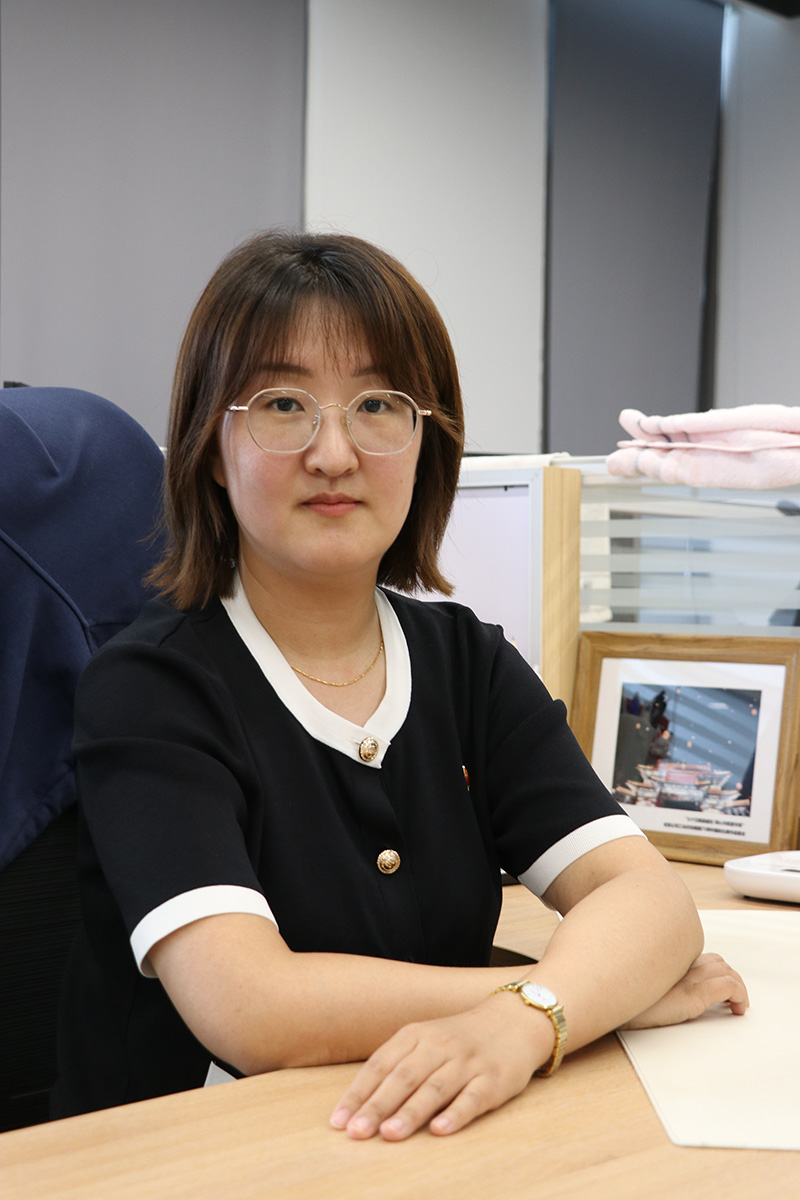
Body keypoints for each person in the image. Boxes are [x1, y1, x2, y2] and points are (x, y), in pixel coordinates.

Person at [53, 230, 748, 1138]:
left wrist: (533, 1015)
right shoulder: (151, 688)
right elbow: (253, 1006)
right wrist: (558, 1000)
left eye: (378, 404)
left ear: (426, 442)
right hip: (194, 1157)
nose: (334, 452)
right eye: (283, 404)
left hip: (425, 1137)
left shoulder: (466, 663)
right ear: (211, 448)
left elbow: (650, 901)